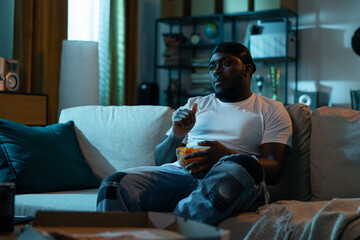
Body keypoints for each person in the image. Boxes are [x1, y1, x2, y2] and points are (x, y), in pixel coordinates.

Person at [96, 42, 292, 225]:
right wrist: (176, 134)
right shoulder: (195, 104)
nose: (217, 71)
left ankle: (174, 230)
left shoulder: (270, 109)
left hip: (228, 179)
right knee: (114, 184)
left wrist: (225, 156)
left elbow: (274, 169)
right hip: (182, 175)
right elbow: (160, 159)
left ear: (248, 70)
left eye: (225, 64)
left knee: (247, 166)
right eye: (212, 66)